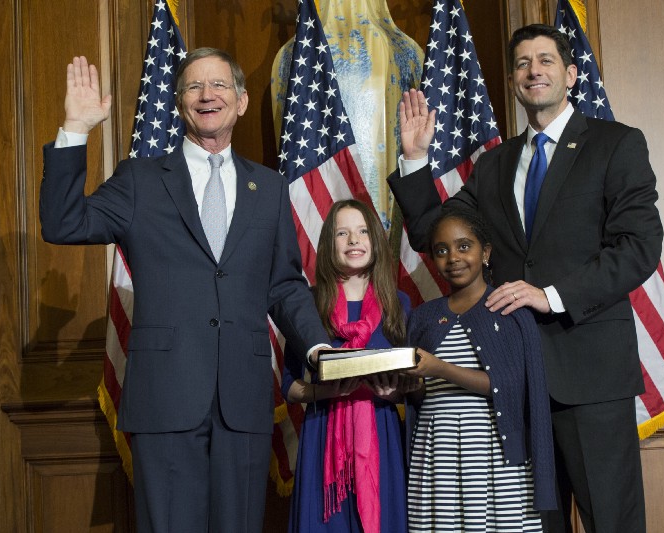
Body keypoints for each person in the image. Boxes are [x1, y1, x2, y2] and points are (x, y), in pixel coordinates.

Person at [39, 49, 331, 532]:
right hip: (166, 400)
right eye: (194, 87)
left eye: (218, 85)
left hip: (244, 400)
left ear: (239, 102)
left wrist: (317, 343)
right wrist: (75, 129)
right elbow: (64, 222)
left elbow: (283, 283)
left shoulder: (271, 187)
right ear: (179, 105)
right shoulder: (140, 180)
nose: (207, 95)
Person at [388, 23, 663, 533]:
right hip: (514, 379)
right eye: (522, 64)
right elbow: (435, 233)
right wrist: (415, 158)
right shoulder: (494, 164)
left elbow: (638, 249)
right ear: (513, 81)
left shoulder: (615, 145)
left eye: (545, 60)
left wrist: (550, 295)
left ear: (571, 74)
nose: (533, 70)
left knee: (612, 521)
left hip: (590, 373)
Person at [403, 208, 555, 532]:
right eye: (441, 250)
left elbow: (509, 385)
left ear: (485, 252)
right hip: (436, 452)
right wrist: (405, 382)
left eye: (463, 246)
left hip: (492, 455)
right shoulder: (422, 318)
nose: (453, 257)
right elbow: (418, 396)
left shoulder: (507, 309)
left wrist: (439, 367)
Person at [281, 199, 414, 533]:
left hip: (381, 434)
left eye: (363, 231)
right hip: (323, 434)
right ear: (328, 245)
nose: (354, 240)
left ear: (376, 242)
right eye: (343, 233)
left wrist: (393, 392)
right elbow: (290, 386)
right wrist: (320, 391)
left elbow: (411, 381)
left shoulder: (398, 303)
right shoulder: (308, 305)